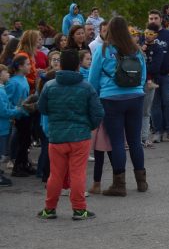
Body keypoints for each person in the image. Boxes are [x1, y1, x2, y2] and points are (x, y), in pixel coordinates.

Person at [36, 49, 104, 220]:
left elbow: (42, 108)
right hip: (80, 136)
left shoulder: (49, 86)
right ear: (77, 65)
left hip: (57, 137)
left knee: (56, 174)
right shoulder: (86, 87)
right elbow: (98, 112)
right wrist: (89, 126)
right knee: (78, 173)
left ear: (61, 64)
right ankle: (79, 209)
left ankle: (49, 208)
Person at [88, 16, 148, 196]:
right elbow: (143, 76)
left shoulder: (102, 49)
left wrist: (96, 98)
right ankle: (142, 181)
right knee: (135, 141)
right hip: (136, 97)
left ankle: (119, 184)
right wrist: (137, 88)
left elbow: (93, 78)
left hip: (111, 99)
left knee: (117, 142)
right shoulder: (136, 50)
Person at [147, 10, 169, 143]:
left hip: (168, 75)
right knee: (155, 105)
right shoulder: (146, 35)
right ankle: (157, 131)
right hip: (152, 77)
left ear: (161, 19)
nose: (153, 20)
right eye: (151, 18)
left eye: (156, 18)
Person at [0, 64, 32, 186]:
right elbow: (3, 110)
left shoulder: (3, 88)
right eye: (5, 72)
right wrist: (19, 110)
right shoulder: (3, 89)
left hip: (5, 125)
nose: (9, 74)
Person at [141, 23, 163, 147]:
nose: (147, 36)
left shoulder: (158, 49)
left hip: (149, 82)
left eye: (150, 34)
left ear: (155, 35)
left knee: (145, 111)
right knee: (136, 111)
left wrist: (143, 68)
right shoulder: (140, 47)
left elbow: (155, 67)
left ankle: (144, 137)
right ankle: (135, 137)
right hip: (137, 83)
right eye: (146, 33)